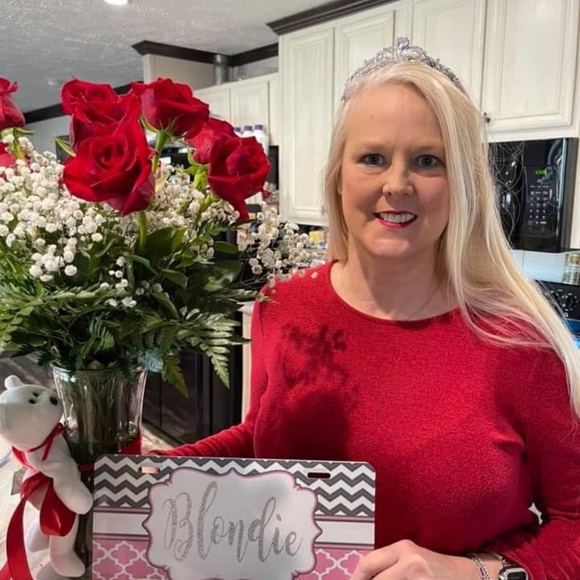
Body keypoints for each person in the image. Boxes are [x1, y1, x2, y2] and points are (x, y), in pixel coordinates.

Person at [155, 38, 580, 579]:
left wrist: (470, 573)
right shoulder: (283, 306)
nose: (397, 185)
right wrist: (138, 480)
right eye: (373, 158)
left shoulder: (518, 342)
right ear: (339, 176)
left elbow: (574, 522)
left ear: (463, 184)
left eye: (427, 161)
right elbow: (259, 437)